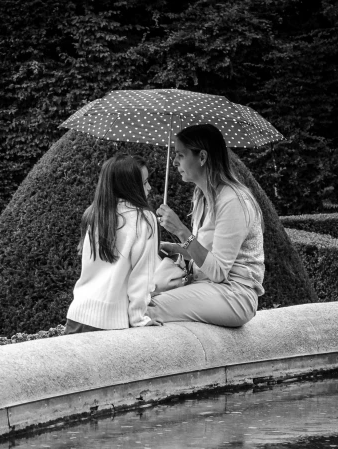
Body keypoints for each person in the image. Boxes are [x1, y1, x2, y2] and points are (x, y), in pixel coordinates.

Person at [149, 124, 265, 327]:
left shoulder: (233, 201)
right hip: (209, 286)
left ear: (202, 157)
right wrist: (173, 248)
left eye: (180, 155)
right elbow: (204, 255)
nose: (174, 162)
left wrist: (181, 231)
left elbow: (218, 271)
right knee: (137, 299)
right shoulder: (203, 197)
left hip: (235, 294)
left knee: (147, 308)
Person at [65, 154, 161, 333]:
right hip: (109, 323)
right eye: (145, 182)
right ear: (131, 186)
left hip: (77, 315)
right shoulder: (144, 218)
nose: (149, 188)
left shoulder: (95, 214)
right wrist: (139, 319)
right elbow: (141, 276)